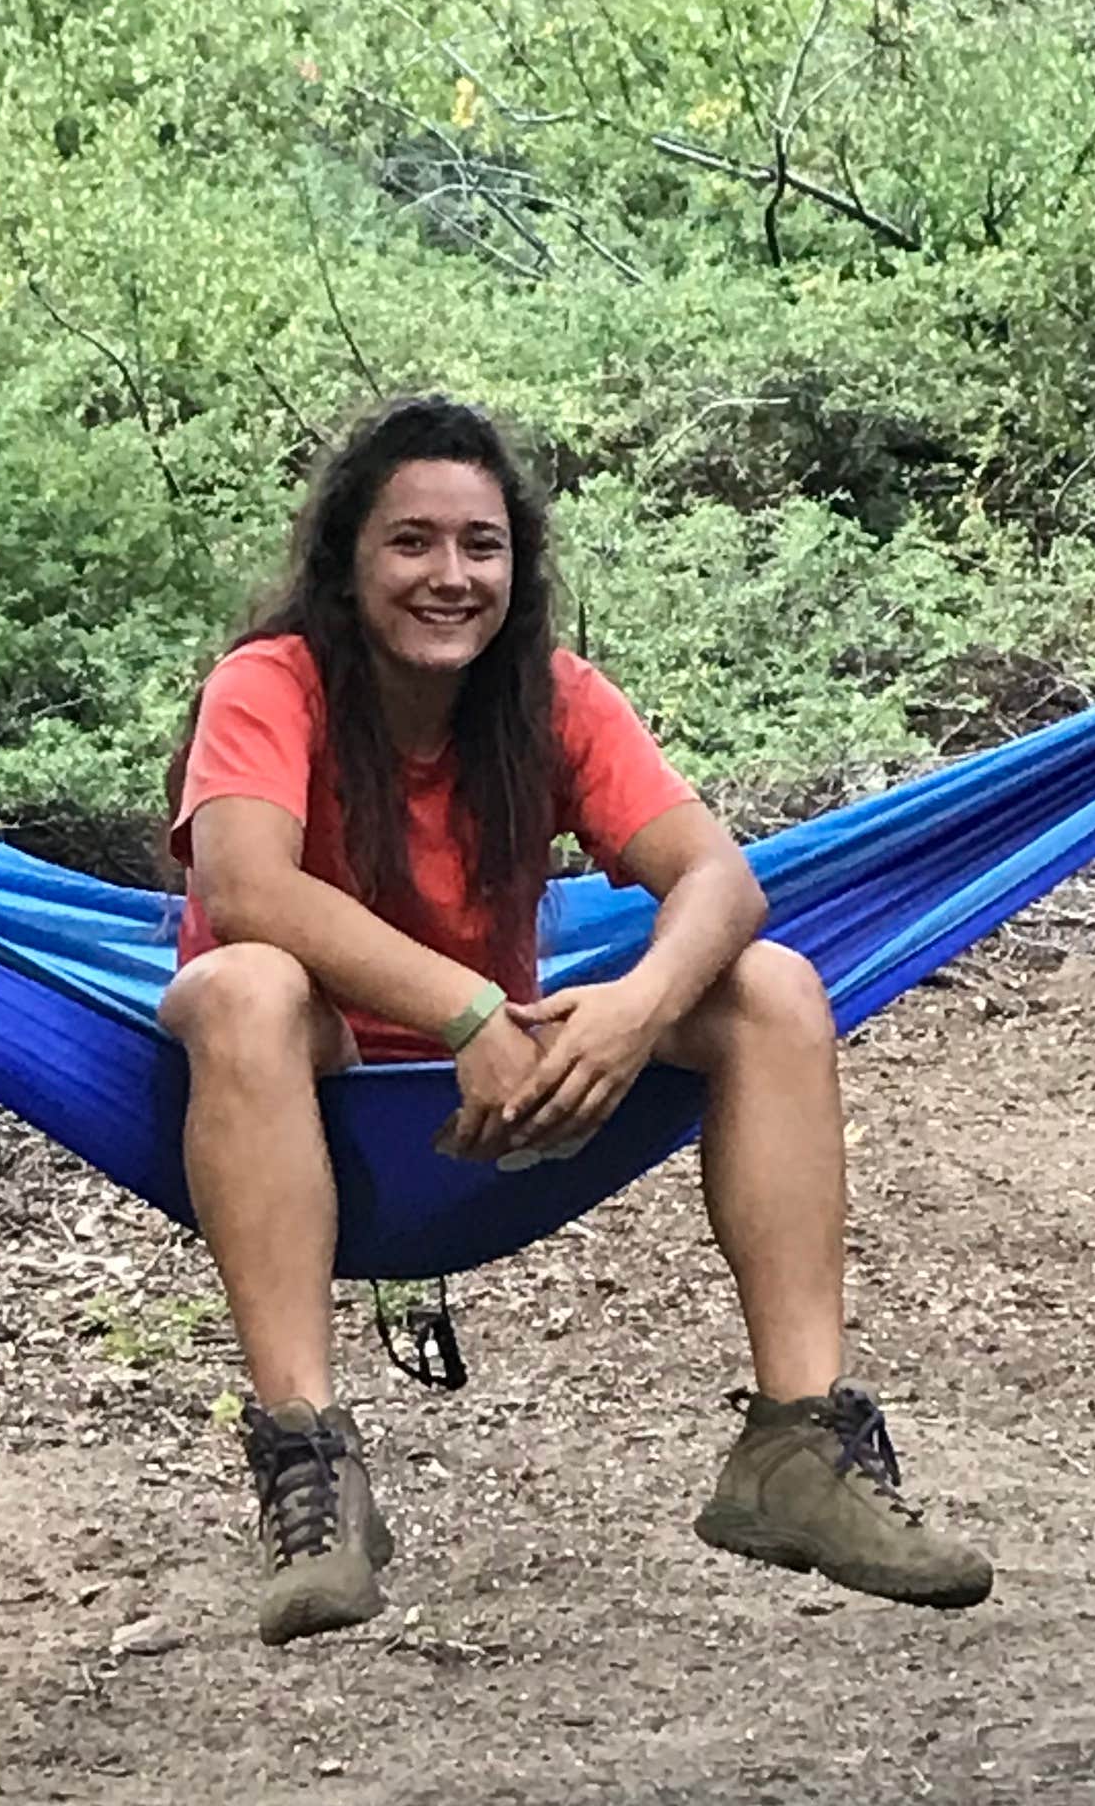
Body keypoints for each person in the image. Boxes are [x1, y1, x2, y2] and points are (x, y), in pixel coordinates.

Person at [162, 392, 991, 1644]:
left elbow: (722, 879)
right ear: (345, 562)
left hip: (509, 1073)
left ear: (517, 565)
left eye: (481, 547)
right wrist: (465, 1009)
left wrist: (633, 1009)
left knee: (771, 986)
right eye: (412, 543)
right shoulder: (268, 684)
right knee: (247, 983)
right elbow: (244, 888)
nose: (451, 576)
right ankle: (309, 1465)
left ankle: (798, 1448)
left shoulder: (549, 697)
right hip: (317, 1060)